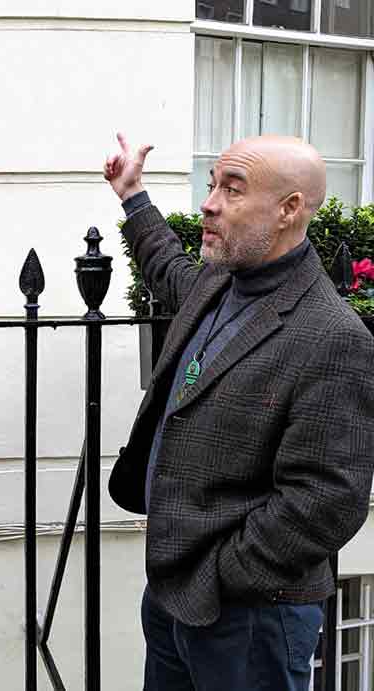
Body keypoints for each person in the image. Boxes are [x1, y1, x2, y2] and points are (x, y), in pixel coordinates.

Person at [104, 132, 374, 691]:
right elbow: (166, 268)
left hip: (252, 614)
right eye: (211, 186)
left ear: (288, 209)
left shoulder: (331, 335)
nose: (209, 203)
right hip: (174, 593)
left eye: (232, 189)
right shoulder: (220, 280)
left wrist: (221, 574)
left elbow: (327, 499)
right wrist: (132, 197)